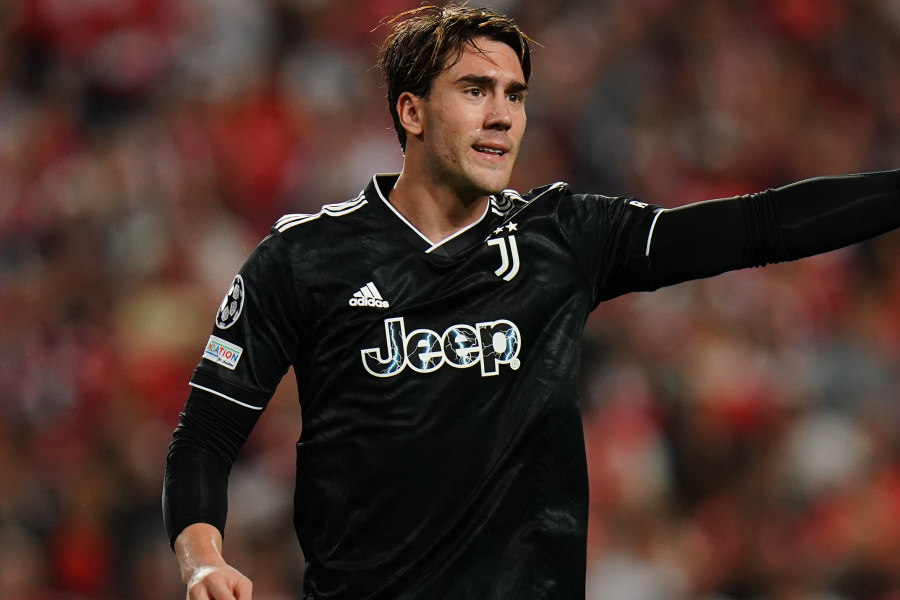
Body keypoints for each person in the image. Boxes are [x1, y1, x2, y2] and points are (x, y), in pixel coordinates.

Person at [163, 4, 900, 599]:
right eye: (474, 90)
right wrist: (202, 561)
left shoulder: (563, 237)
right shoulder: (305, 258)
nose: (503, 115)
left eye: (514, 95)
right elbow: (205, 434)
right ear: (412, 112)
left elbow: (758, 226)